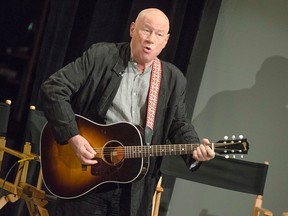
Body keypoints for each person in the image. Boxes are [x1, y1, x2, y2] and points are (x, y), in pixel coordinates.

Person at [39, 8, 215, 216]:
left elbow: (179, 124)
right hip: (86, 173)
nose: (150, 39)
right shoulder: (101, 55)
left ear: (166, 41)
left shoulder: (173, 79)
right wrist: (73, 137)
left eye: (158, 34)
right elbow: (53, 89)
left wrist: (195, 150)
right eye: (146, 30)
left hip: (133, 188)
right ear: (133, 29)